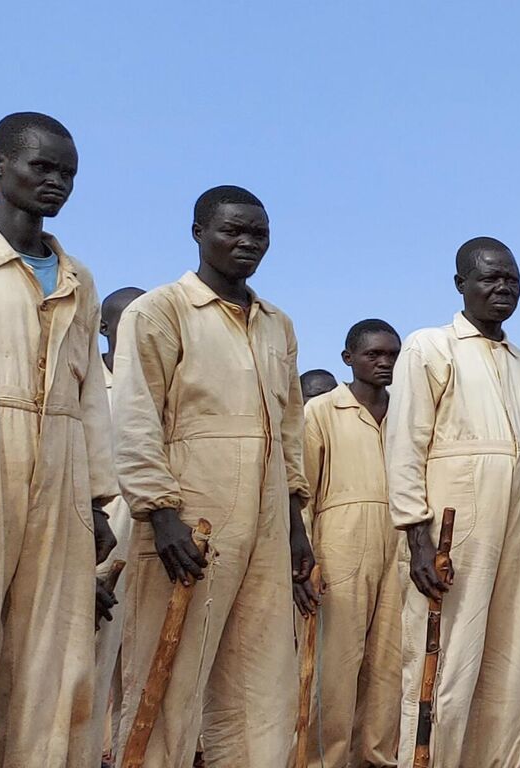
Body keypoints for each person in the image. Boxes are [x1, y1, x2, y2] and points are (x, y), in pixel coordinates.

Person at [0, 112, 115, 767]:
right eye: (42, 167)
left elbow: (90, 393)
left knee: (54, 654)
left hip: (61, 475)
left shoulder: (78, 277)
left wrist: (95, 500)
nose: (56, 182)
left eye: (68, 173)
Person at [112, 184, 317, 766]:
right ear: (199, 232)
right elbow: (134, 417)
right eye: (233, 230)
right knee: (168, 672)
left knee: (260, 678)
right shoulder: (159, 311)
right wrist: (160, 514)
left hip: (268, 519)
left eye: (259, 234)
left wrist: (295, 526)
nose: (247, 243)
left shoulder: (279, 324)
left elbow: (290, 430)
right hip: (190, 518)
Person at [387, 237, 520, 766]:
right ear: (461, 284)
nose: (503, 287)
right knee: (445, 660)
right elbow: (405, 443)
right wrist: (416, 535)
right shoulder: (430, 346)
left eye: (512, 279)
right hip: (452, 525)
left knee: (509, 663)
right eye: (490, 278)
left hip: (512, 531)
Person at [299, 319, 404, 767]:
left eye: (392, 355)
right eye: (373, 355)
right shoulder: (322, 411)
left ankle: (375, 758)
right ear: (349, 359)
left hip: (398, 546)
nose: (384, 363)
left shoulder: (405, 413)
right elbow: (301, 491)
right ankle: (323, 760)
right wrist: (304, 559)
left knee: (389, 668)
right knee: (335, 668)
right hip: (339, 542)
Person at [92, 285, 145, 759]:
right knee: (90, 660)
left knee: (139, 666)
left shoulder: (162, 389)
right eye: (127, 320)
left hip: (150, 539)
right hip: (98, 533)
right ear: (104, 327)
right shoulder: (86, 383)